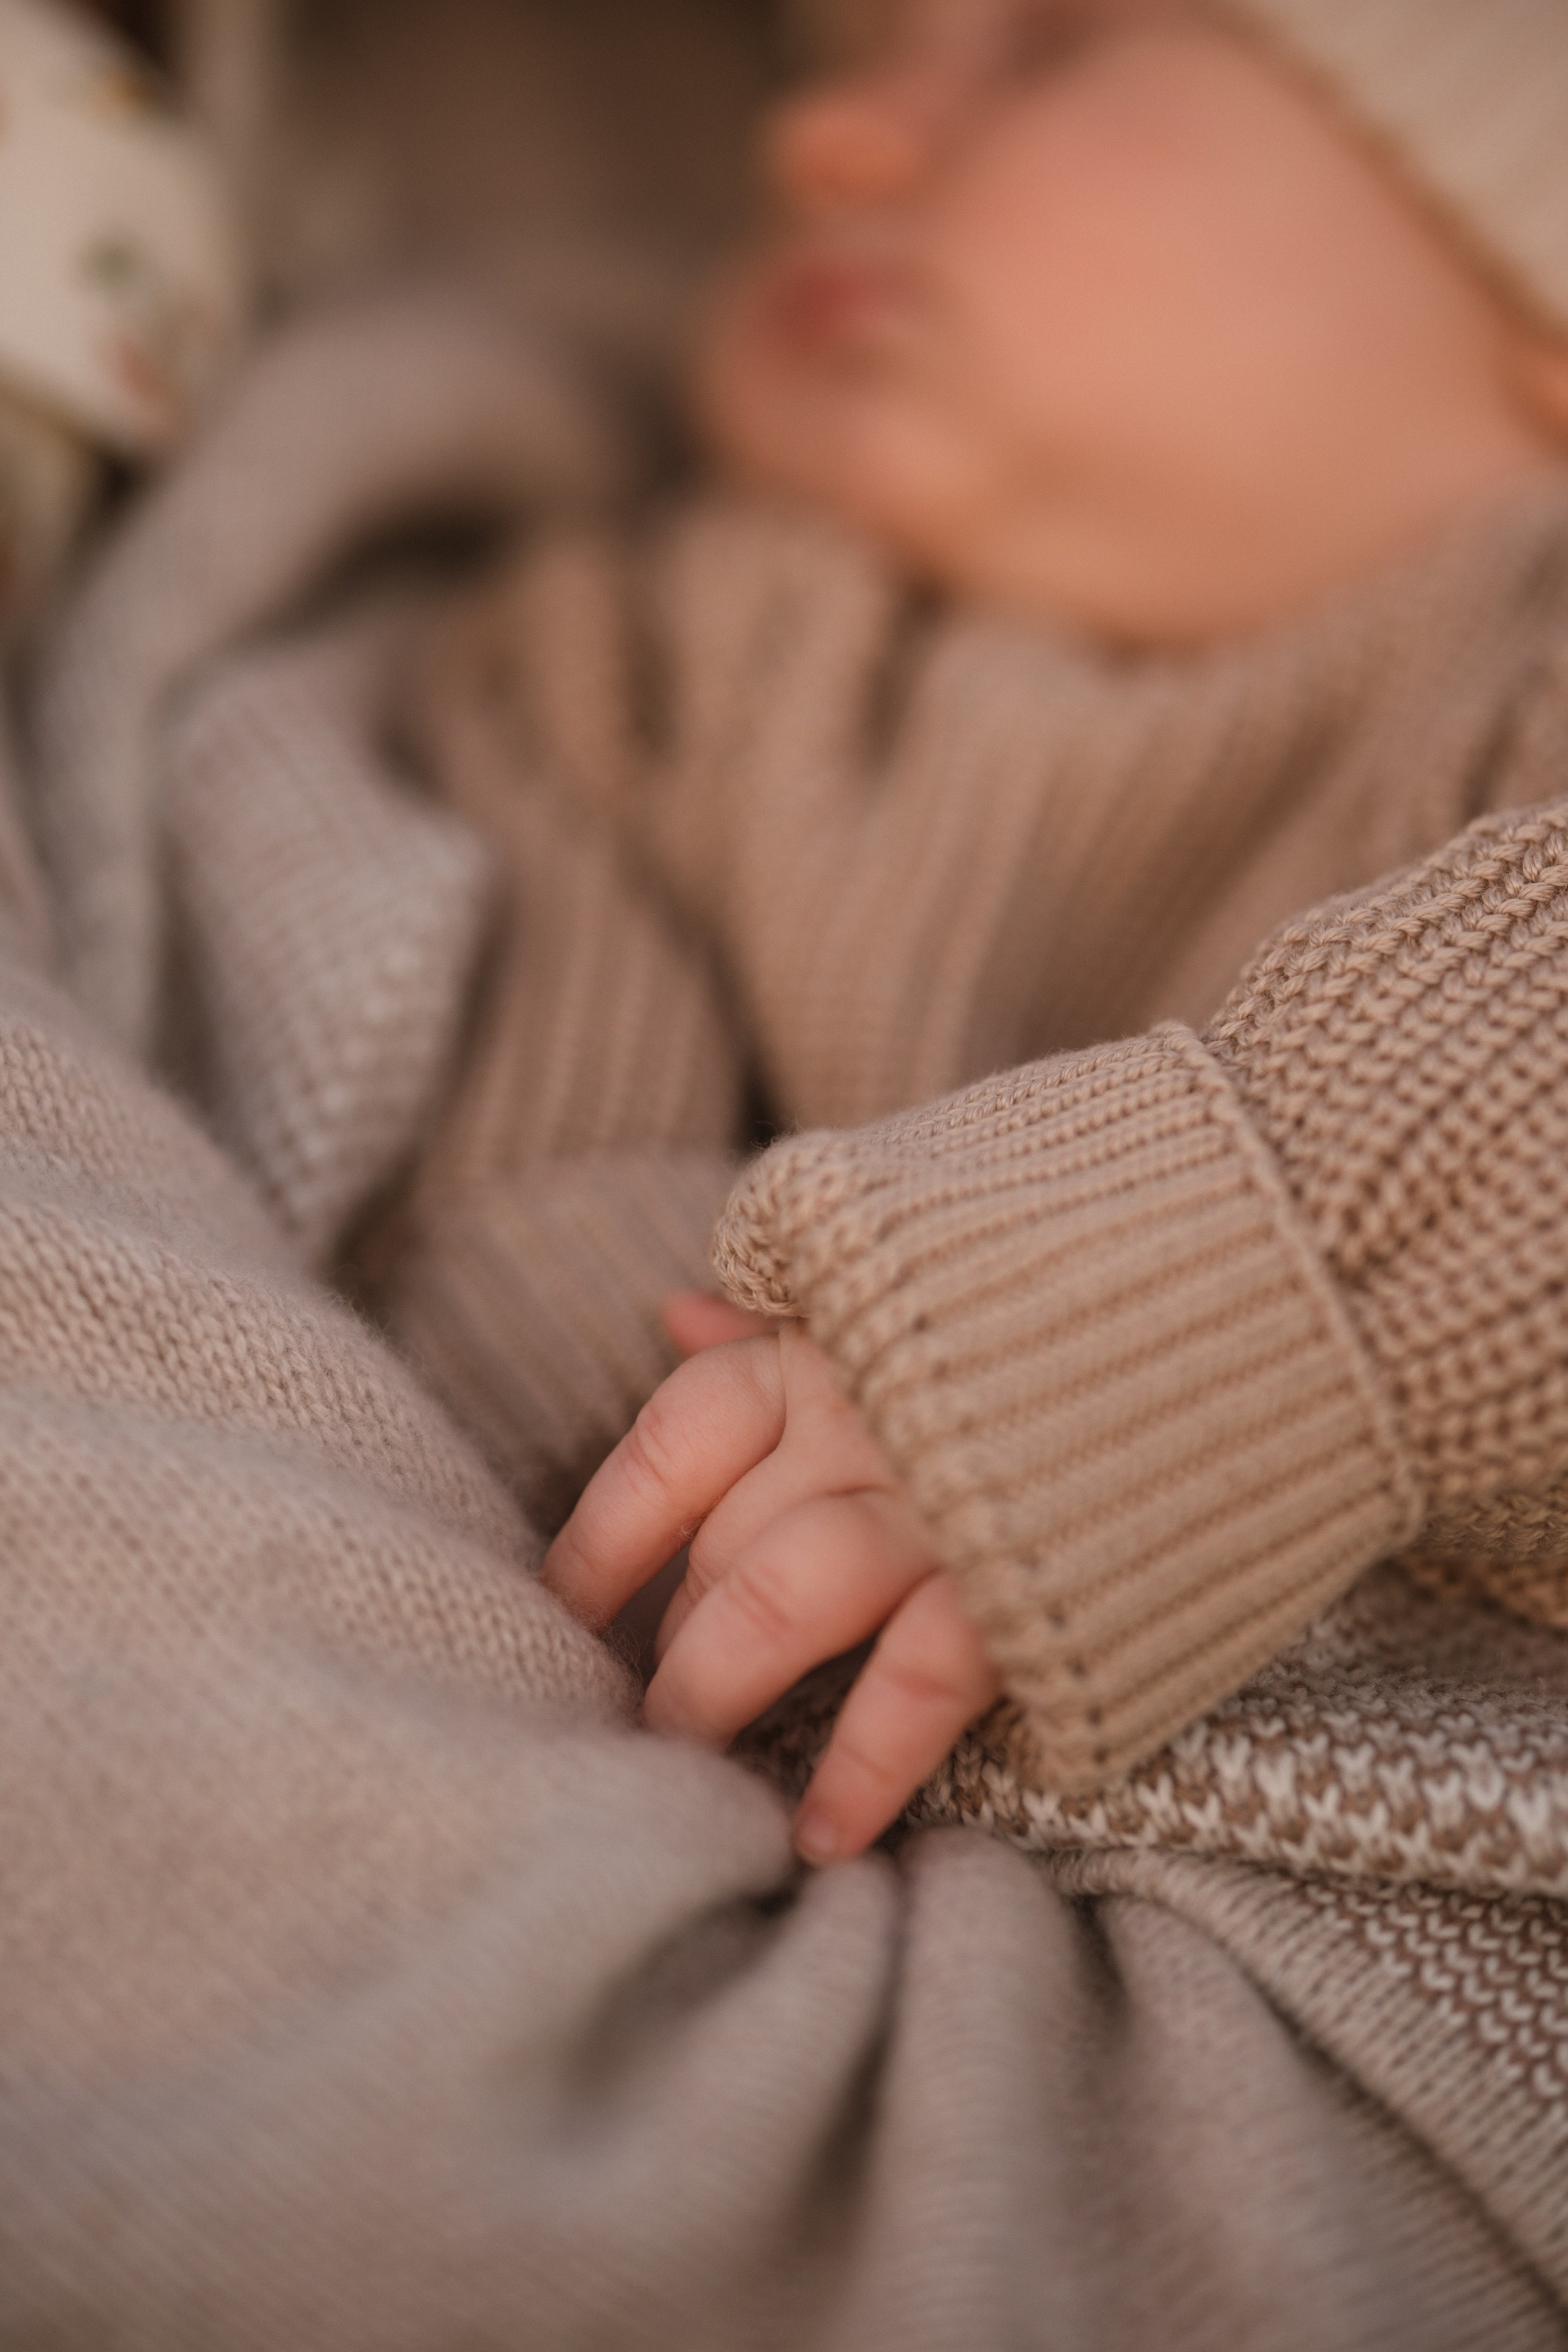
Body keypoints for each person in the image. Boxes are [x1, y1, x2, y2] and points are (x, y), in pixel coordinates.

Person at [10, 0, 1568, 2339]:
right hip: (934, 1831)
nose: (828, 133)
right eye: (845, 60)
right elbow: (550, 1171)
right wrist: (708, 1549)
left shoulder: (1515, 650)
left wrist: (1234, 1277)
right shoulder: (636, 660)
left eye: (1036, 52)